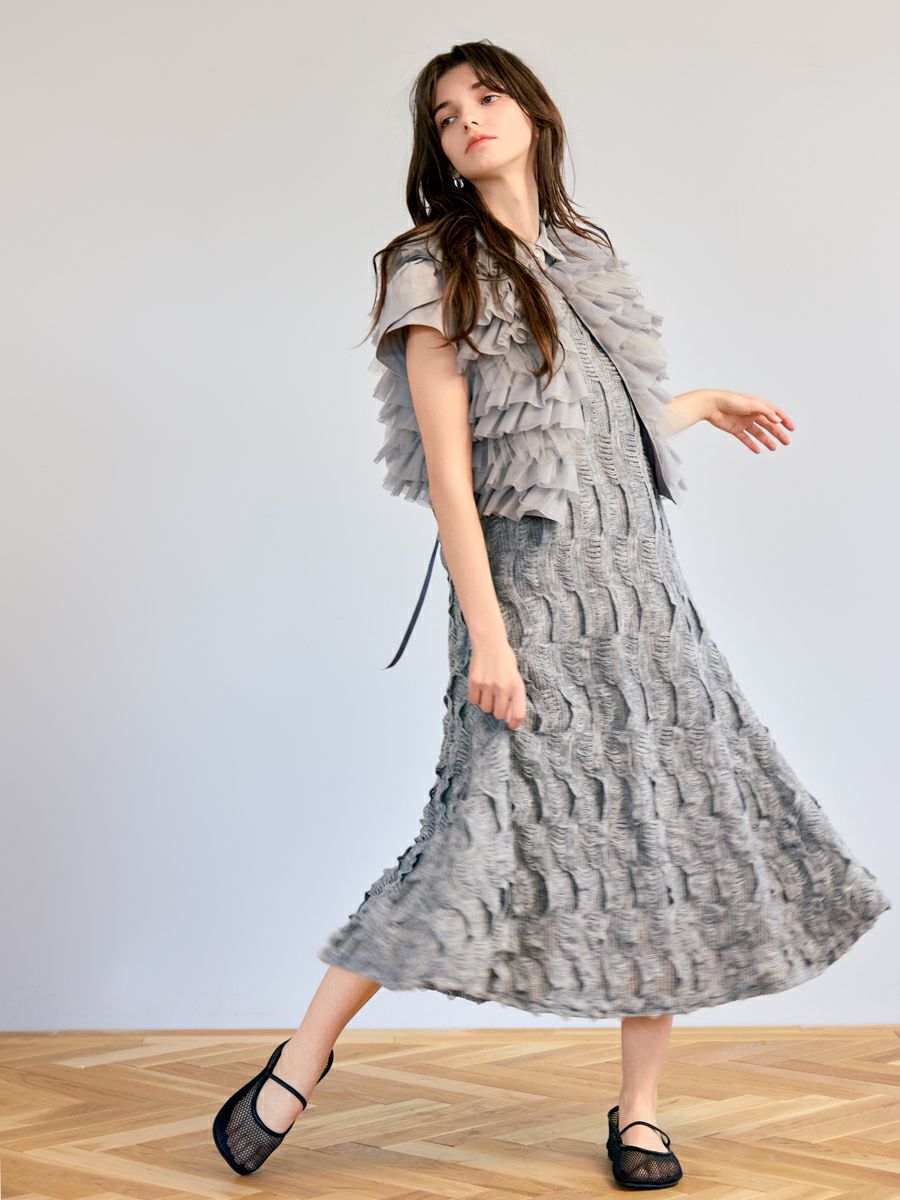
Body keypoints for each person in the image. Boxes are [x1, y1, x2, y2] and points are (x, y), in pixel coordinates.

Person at [212, 40, 892, 1188]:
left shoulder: (586, 257)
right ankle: (300, 1059)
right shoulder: (433, 266)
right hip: (527, 602)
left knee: (660, 839)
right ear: (437, 150)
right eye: (444, 115)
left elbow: (584, 432)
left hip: (643, 600)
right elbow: (454, 476)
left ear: (532, 112)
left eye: (485, 98)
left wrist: (697, 401)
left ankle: (640, 1112)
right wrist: (489, 635)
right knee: (463, 839)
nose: (466, 120)